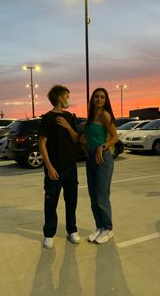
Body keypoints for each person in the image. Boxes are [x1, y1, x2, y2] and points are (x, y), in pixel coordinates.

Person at [39, 85, 80, 249]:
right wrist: (49, 167)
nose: (68, 99)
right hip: (54, 169)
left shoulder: (69, 116)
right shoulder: (47, 118)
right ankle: (49, 234)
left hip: (71, 167)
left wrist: (68, 126)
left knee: (71, 201)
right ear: (59, 98)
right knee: (50, 203)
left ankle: (72, 230)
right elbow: (42, 144)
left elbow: (77, 138)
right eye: (66, 96)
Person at [84, 87, 119, 244]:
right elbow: (85, 137)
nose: (99, 99)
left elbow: (115, 137)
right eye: (96, 97)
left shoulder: (105, 115)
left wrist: (102, 147)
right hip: (90, 158)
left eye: (102, 97)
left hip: (103, 158)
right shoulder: (91, 116)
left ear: (106, 100)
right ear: (92, 99)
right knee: (93, 196)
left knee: (101, 196)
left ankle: (108, 229)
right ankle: (99, 227)